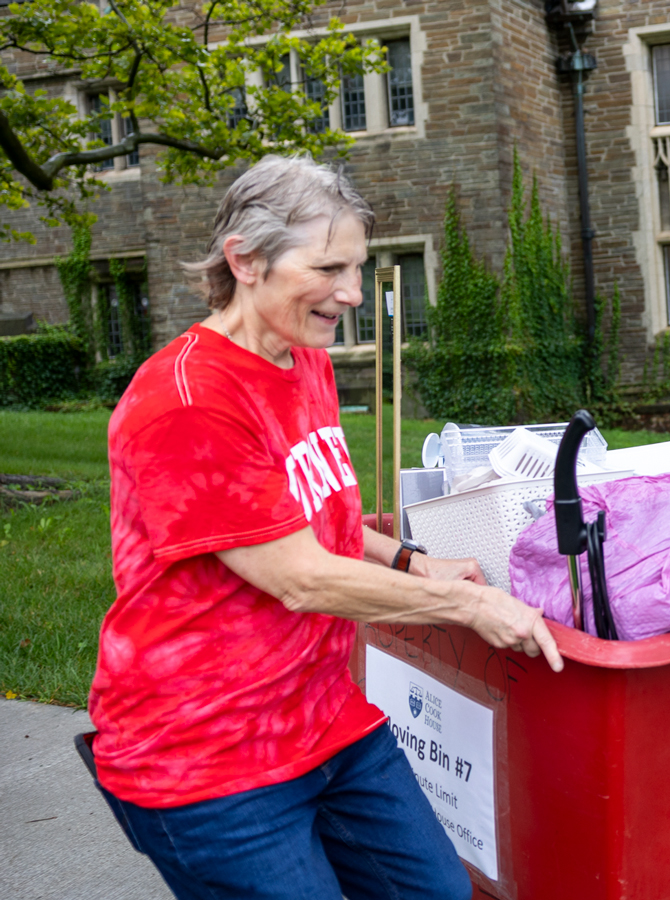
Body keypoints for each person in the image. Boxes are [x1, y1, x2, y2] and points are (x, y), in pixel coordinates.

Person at [89, 155, 563, 900]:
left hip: (323, 717)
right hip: (207, 755)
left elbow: (317, 515)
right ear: (245, 260)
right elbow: (300, 577)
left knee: (438, 891)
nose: (350, 293)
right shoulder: (188, 400)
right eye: (329, 268)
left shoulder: (303, 355)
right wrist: (472, 606)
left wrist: (410, 561)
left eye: (359, 268)